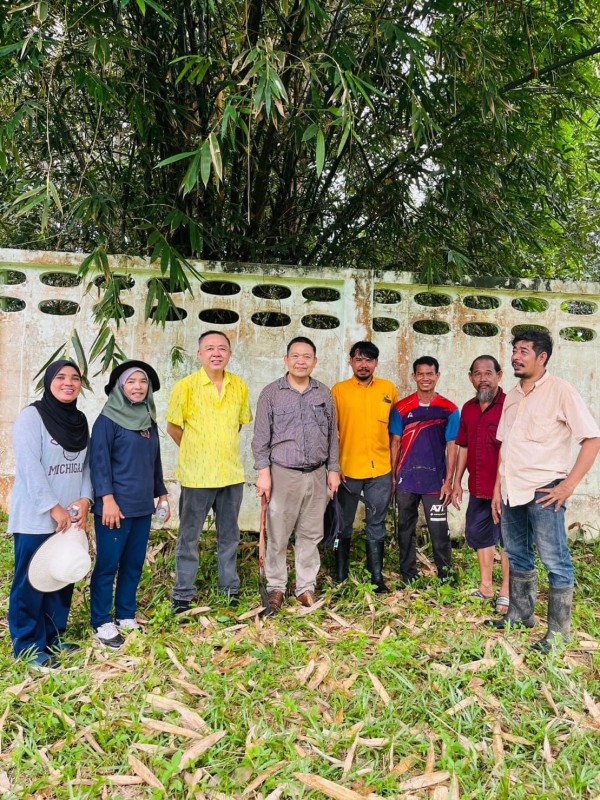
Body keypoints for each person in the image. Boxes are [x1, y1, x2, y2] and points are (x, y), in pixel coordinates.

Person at [491, 330, 600, 651]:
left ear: (542, 357)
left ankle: (558, 634)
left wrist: (568, 486)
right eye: (514, 350)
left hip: (545, 491)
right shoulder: (512, 396)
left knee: (555, 560)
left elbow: (592, 439)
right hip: (512, 489)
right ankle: (521, 614)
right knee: (516, 553)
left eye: (523, 351)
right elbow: (505, 447)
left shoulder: (561, 391)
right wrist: (498, 488)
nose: (515, 356)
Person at [8, 360, 92, 669]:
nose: (68, 382)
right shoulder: (32, 417)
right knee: (31, 582)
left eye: (75, 378)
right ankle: (28, 646)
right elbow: (30, 466)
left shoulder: (80, 420)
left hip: (69, 519)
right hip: (36, 517)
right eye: (61, 377)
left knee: (59, 576)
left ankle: (54, 637)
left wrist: (85, 499)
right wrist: (53, 507)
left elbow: (86, 466)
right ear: (48, 381)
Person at [252, 337, 341, 613]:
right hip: (282, 474)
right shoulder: (271, 394)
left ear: (315, 361)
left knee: (311, 534)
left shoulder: (324, 393)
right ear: (286, 360)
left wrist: (333, 469)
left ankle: (305, 587)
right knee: (278, 534)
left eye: (306, 356)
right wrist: (263, 473)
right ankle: (276, 587)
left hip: (317, 474)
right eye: (295, 356)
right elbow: (260, 439)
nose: (301, 361)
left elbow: (333, 435)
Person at [167, 331, 252, 611]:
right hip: (197, 476)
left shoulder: (239, 386)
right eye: (210, 348)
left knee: (229, 535)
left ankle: (229, 590)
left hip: (230, 475)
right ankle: (183, 594)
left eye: (222, 348)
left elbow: (239, 424)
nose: (216, 353)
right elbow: (173, 427)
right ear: (200, 354)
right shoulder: (185, 387)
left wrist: (218, 450)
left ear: (230, 354)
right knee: (189, 536)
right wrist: (196, 450)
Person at [89, 361, 169, 648]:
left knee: (133, 564)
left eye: (143, 382)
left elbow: (154, 461)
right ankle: (101, 621)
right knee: (108, 565)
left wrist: (162, 494)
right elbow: (98, 463)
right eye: (131, 382)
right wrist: (107, 499)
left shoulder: (149, 420)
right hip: (115, 509)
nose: (138, 387)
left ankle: (125, 615)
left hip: (141, 507)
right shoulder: (107, 420)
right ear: (120, 387)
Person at [331, 341, 398, 593]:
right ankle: (340, 575)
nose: (363, 365)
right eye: (358, 359)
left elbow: (394, 430)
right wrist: (334, 467)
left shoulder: (388, 389)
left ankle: (377, 578)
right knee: (342, 524)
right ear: (350, 361)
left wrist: (394, 469)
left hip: (380, 469)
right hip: (347, 470)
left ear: (376, 363)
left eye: (368, 360)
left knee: (376, 523)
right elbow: (331, 433)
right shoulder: (339, 391)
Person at [390, 356, 459, 584]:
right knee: (405, 528)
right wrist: (393, 477)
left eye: (430, 374)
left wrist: (449, 481)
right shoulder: (402, 408)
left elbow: (452, 446)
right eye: (420, 374)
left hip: (435, 483)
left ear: (437, 376)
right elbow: (395, 443)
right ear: (414, 377)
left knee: (439, 529)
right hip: (406, 481)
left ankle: (446, 576)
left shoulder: (449, 409)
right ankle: (408, 574)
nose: (425, 378)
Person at [451, 356, 510, 613]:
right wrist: (457, 482)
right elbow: (463, 446)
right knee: (480, 534)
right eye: (477, 374)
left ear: (499, 375)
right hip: (477, 487)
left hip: (506, 489)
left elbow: (511, 450)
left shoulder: (510, 406)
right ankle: (486, 587)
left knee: (508, 539)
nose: (483, 378)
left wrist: (500, 487)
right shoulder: (468, 408)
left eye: (488, 373)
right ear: (470, 377)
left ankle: (506, 592)